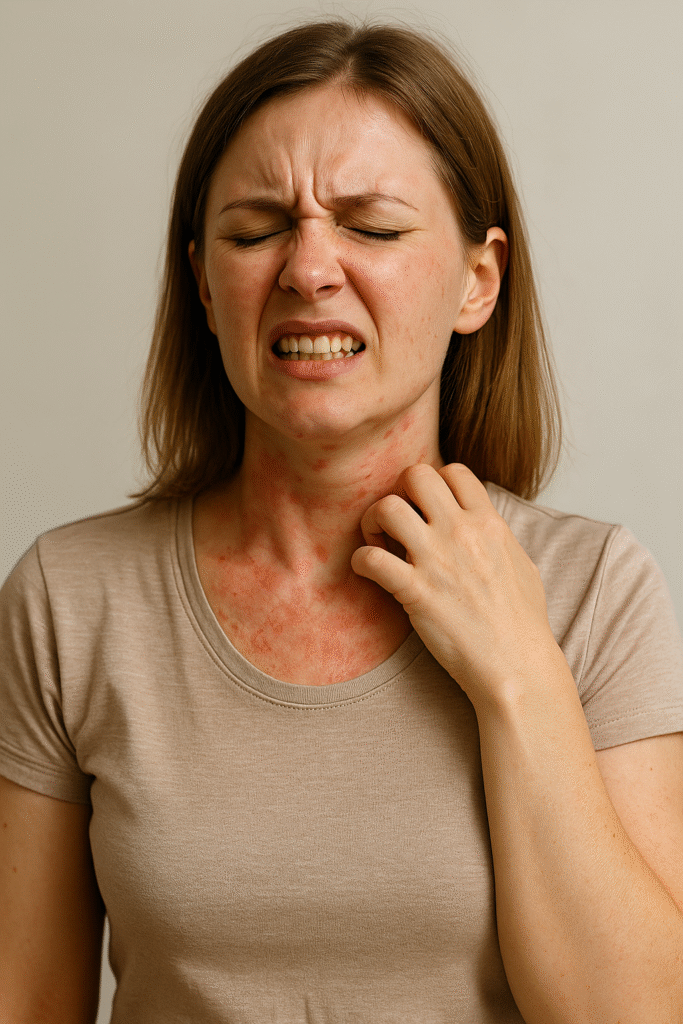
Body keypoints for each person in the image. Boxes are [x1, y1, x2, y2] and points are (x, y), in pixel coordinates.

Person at [1, 19, 682, 1024]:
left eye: (369, 225)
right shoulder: (72, 597)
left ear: (476, 280)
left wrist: (519, 675)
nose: (307, 268)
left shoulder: (593, 590)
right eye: (254, 228)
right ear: (202, 280)